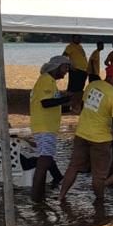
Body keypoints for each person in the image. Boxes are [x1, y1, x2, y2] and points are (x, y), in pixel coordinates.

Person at [58, 63, 113, 204]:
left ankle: (61, 196)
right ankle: (99, 201)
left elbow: (84, 106)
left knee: (73, 166)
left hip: (82, 133)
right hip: (101, 139)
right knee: (99, 174)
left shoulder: (92, 85)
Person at [29, 55, 72, 201]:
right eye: (65, 67)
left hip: (46, 126)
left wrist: (68, 108)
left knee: (46, 158)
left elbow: (52, 105)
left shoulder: (50, 82)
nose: (66, 71)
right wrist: (67, 98)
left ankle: (39, 194)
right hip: (44, 127)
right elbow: (46, 103)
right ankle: (36, 196)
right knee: (45, 159)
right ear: (56, 67)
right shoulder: (46, 80)